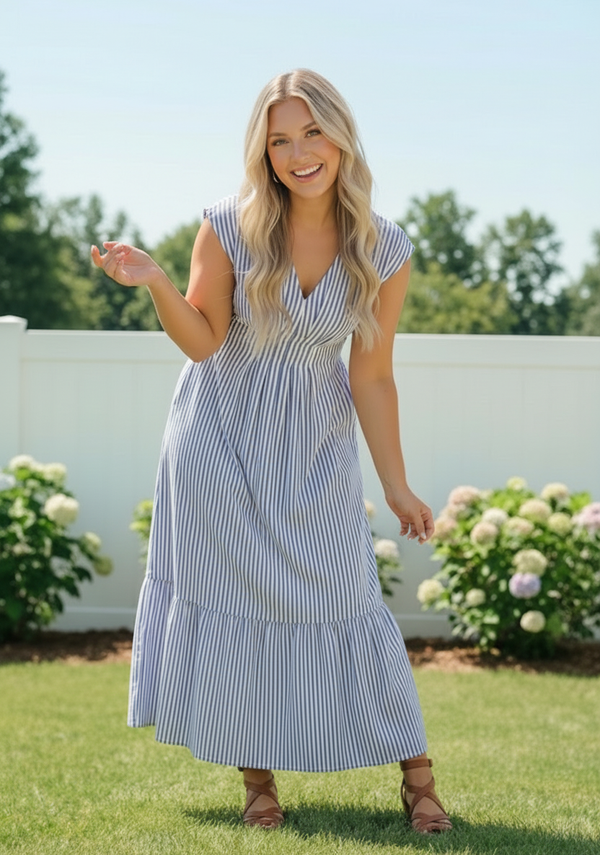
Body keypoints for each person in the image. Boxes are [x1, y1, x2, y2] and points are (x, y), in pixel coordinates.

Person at [91, 69, 452, 835]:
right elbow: (204, 340)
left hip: (315, 443)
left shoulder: (384, 247)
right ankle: (258, 782)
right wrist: (155, 281)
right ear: (264, 150)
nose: (298, 152)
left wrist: (396, 484)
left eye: (311, 132)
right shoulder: (228, 225)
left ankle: (417, 776)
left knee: (349, 596)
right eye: (280, 139)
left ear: (341, 134)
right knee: (241, 603)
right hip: (217, 437)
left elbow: (374, 374)